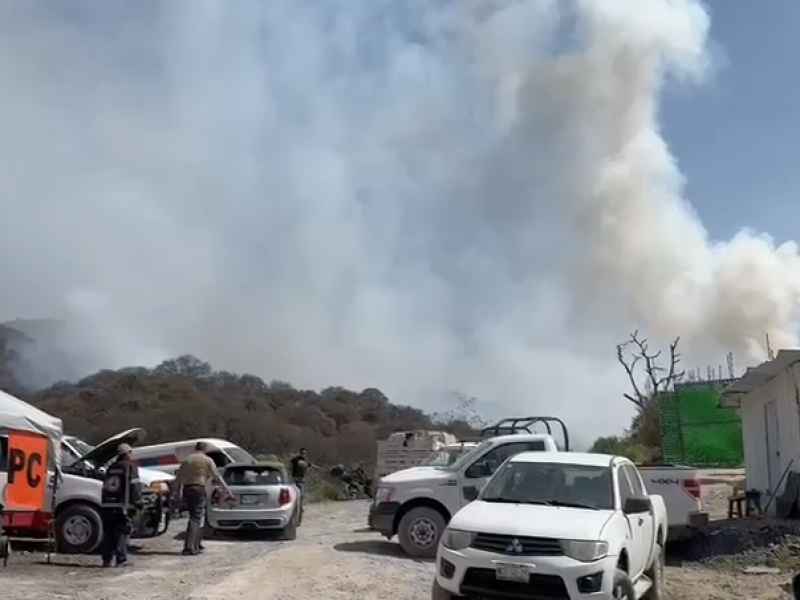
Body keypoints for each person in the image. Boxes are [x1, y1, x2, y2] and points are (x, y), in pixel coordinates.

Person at [174, 441, 232, 556]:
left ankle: (196, 544)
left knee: (193, 516)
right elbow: (217, 476)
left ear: (195, 449)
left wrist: (177, 493)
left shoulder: (187, 460)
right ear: (204, 449)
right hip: (199, 488)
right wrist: (227, 490)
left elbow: (179, 478)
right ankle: (190, 547)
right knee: (196, 518)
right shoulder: (207, 460)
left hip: (187, 489)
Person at [100, 443, 142, 568]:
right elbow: (135, 487)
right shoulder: (130, 467)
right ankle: (121, 559)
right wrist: (138, 503)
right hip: (122, 506)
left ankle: (107, 560)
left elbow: (104, 487)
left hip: (108, 504)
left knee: (109, 533)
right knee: (122, 532)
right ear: (127, 453)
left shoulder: (111, 468)